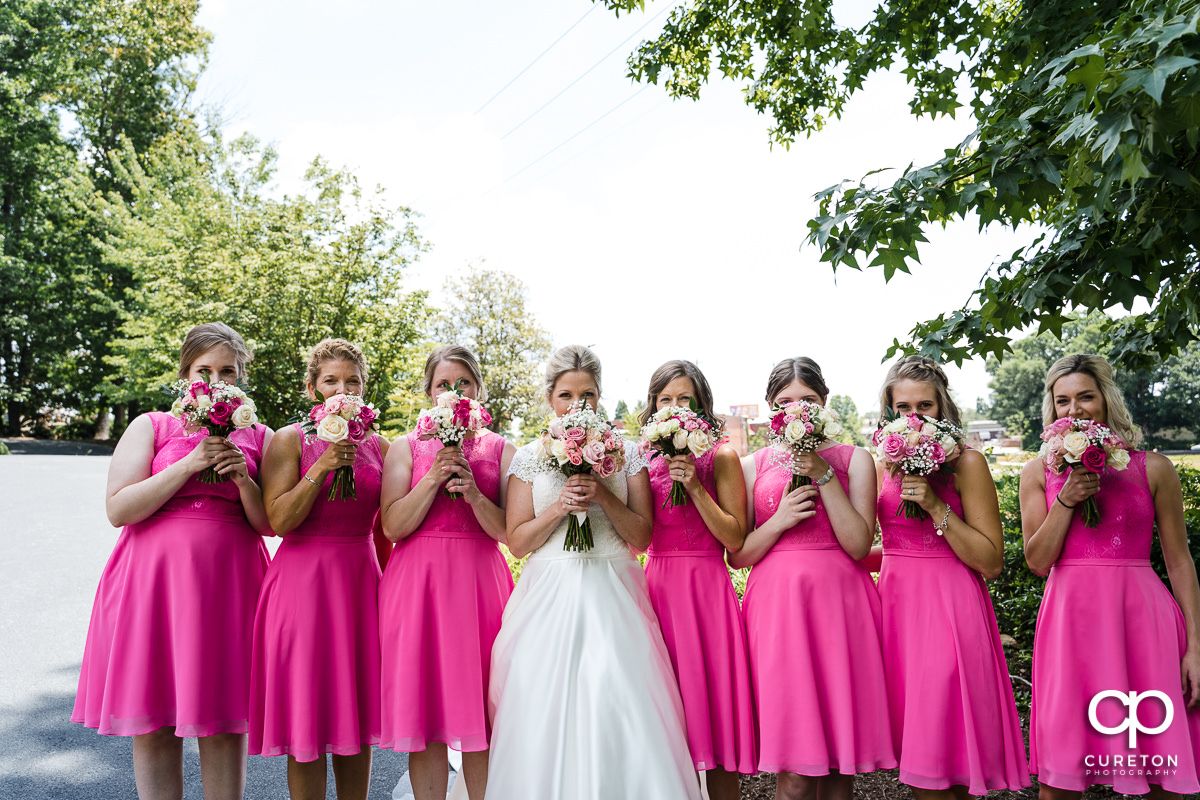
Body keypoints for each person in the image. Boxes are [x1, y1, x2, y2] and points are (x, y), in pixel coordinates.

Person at [485, 345, 702, 800]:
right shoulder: (528, 457)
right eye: (566, 395)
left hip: (614, 592)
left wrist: (603, 496)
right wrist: (558, 508)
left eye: (587, 395)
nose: (577, 405)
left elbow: (642, 537)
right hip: (547, 596)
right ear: (550, 398)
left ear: (600, 397)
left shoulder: (626, 454)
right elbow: (518, 543)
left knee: (620, 699)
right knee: (542, 706)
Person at [73, 322, 272, 800]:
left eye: (228, 370)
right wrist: (188, 463)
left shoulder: (260, 435)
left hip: (230, 587)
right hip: (154, 584)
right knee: (156, 720)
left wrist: (244, 479)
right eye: (205, 369)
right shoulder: (152, 425)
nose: (216, 378)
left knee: (225, 723)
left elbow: (269, 524)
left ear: (240, 377)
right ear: (186, 374)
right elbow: (119, 509)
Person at [1020, 353, 1200, 798]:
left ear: (1106, 399)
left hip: (1144, 626)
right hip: (1069, 628)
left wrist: (1196, 646)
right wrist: (1067, 497)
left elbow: (1179, 560)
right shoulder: (1036, 473)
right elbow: (1038, 561)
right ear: (1052, 408)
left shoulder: (1153, 467)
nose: (1074, 410)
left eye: (1085, 396)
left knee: (1161, 766)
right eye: (1062, 401)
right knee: (1062, 773)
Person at [732, 357, 894, 800]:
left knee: (841, 767)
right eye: (785, 401)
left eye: (807, 400)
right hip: (778, 610)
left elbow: (858, 545)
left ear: (824, 403)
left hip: (842, 608)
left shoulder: (855, 459)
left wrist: (823, 475)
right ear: (771, 408)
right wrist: (780, 519)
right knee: (795, 773)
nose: (796, 408)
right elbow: (739, 553)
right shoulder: (751, 465)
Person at [875, 355, 1029, 798]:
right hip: (896, 610)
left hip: (948, 609)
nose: (913, 418)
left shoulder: (968, 464)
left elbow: (991, 560)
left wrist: (936, 506)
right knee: (914, 751)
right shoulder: (883, 464)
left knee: (945, 757)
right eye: (902, 408)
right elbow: (889, 544)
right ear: (888, 412)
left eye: (924, 406)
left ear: (943, 408)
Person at [249, 338, 385, 800]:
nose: (342, 390)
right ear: (313, 389)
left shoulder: (381, 445)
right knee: (305, 730)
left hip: (360, 587)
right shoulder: (290, 439)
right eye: (331, 381)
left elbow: (389, 528)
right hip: (302, 589)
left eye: (352, 382)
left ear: (363, 390)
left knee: (357, 725)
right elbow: (278, 520)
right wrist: (322, 466)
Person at [378, 345, 515, 800]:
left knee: (482, 716)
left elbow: (511, 536)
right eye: (443, 384)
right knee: (425, 718)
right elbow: (394, 526)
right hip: (417, 587)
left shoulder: (502, 449)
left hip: (480, 586)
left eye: (463, 383)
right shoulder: (404, 446)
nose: (453, 392)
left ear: (477, 390)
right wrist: (433, 478)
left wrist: (475, 495)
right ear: (428, 391)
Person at [640, 360, 756, 799]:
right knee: (666, 719)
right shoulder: (642, 456)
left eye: (683, 398)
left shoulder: (721, 455)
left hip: (707, 589)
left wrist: (694, 487)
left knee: (719, 718)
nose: (673, 406)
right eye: (665, 399)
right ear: (653, 406)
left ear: (699, 403)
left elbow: (734, 539)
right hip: (657, 590)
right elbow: (637, 533)